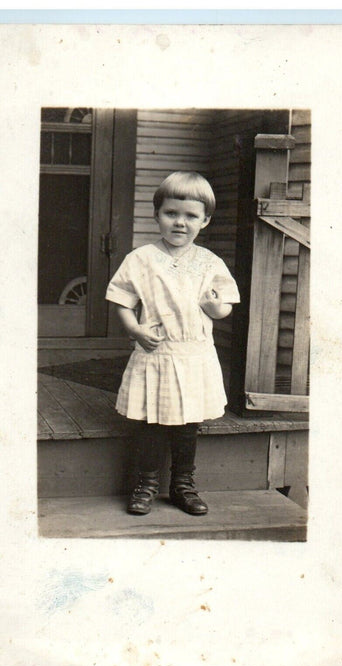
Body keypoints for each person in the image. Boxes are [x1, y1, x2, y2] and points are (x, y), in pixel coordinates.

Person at [105, 171, 240, 516]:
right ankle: (145, 484)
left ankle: (183, 485)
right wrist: (135, 330)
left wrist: (215, 307)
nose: (180, 223)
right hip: (156, 353)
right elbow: (121, 299)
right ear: (157, 215)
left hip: (194, 357)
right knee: (150, 423)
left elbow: (224, 305)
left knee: (186, 427)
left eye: (191, 216)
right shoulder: (141, 259)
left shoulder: (209, 262)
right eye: (171, 213)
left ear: (205, 220)